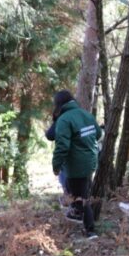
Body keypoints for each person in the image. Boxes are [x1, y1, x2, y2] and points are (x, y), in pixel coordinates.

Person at [51, 90, 102, 239]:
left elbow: (62, 146)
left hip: (76, 165)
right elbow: (98, 134)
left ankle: (88, 228)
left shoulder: (64, 120)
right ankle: (88, 228)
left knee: (79, 198)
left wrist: (56, 165)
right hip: (90, 161)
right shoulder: (86, 114)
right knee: (81, 193)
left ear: (59, 104)